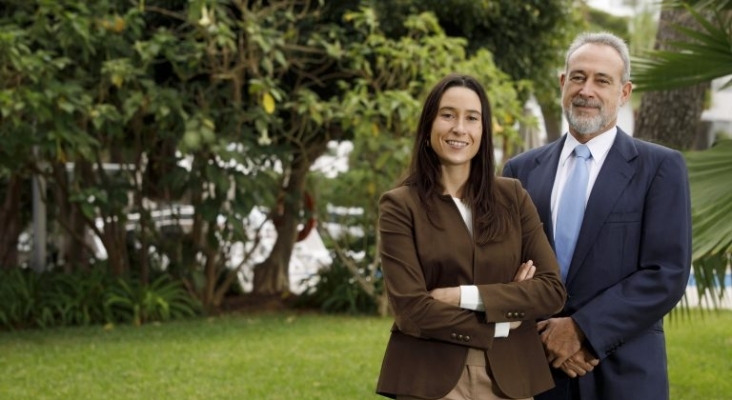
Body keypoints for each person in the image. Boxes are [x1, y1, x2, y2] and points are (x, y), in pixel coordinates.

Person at [502, 32, 692, 400]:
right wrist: (543, 334)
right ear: (562, 83)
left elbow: (666, 273)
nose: (586, 90)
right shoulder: (520, 171)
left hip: (623, 373)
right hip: (535, 372)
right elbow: (501, 269)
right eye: (578, 77)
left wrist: (580, 331)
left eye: (602, 80)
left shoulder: (660, 168)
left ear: (624, 92)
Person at [376, 73, 567, 400]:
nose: (459, 128)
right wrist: (505, 319)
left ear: (483, 131)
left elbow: (550, 291)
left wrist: (462, 295)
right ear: (429, 126)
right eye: (448, 115)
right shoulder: (399, 205)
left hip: (511, 378)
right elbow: (411, 310)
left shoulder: (513, 197)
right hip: (429, 380)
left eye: (472, 118)